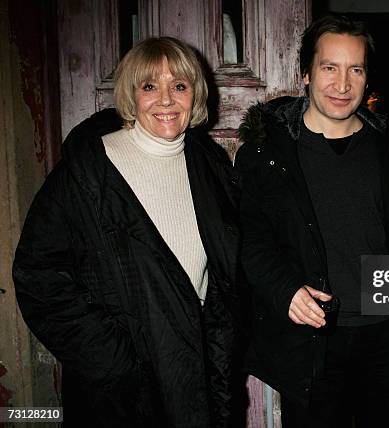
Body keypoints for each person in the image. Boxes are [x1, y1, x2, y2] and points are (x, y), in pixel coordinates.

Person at [13, 37, 244, 427]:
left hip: (202, 379)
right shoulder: (89, 170)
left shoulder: (211, 166)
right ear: (131, 95)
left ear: (196, 95)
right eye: (150, 86)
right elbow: (38, 275)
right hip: (121, 392)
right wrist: (113, 358)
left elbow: (228, 274)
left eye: (180, 86)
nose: (166, 99)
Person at [236, 14, 389, 428]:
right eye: (329, 67)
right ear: (306, 74)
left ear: (368, 79)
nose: (342, 84)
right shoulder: (266, 153)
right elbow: (248, 239)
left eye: (355, 69)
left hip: (387, 335)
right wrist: (284, 290)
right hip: (313, 341)